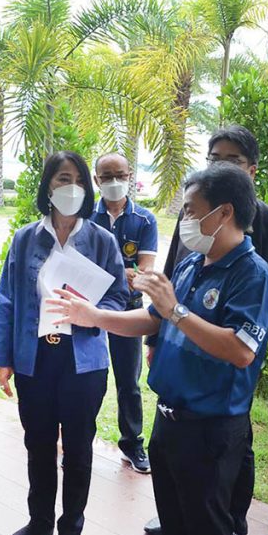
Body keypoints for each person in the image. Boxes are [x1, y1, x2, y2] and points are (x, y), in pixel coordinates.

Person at [48, 164, 268, 535]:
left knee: (210, 533)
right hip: (169, 418)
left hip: (212, 426)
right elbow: (154, 319)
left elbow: (240, 349)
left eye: (191, 210)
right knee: (176, 521)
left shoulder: (252, 274)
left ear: (223, 213)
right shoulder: (192, 263)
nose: (185, 220)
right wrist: (94, 316)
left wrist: (177, 310)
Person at [142, 125, 268, 535]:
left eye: (231, 159)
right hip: (182, 347)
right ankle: (185, 522)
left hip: (230, 356)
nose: (220, 165)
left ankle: (232, 522)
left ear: (252, 169)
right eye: (214, 158)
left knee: (231, 452)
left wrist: (197, 322)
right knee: (185, 481)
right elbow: (170, 284)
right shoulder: (197, 217)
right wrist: (159, 338)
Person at [0, 151, 128, 535]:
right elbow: (7, 298)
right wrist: (3, 357)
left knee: (78, 449)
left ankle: (71, 531)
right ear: (48, 186)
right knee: (38, 443)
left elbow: (119, 296)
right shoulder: (25, 238)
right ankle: (39, 523)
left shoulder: (101, 240)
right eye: (63, 179)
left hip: (82, 361)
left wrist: (92, 312)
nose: (72, 188)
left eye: (79, 180)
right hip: (35, 359)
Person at [89, 152, 158, 474]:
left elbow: (144, 273)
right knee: (87, 378)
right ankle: (79, 440)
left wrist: (106, 271)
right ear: (96, 180)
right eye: (107, 177)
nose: (114, 182)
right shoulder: (85, 216)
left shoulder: (145, 220)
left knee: (129, 382)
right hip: (88, 309)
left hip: (129, 311)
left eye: (120, 175)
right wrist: (124, 272)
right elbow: (78, 264)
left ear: (131, 176)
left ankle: (132, 444)